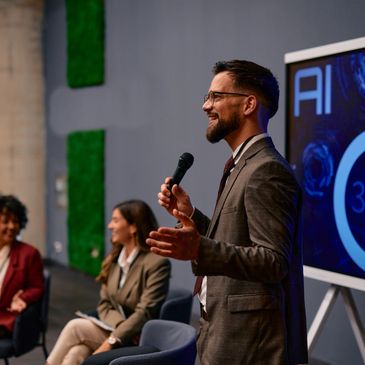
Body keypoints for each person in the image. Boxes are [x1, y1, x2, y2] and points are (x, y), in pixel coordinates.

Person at [147, 60, 308, 365]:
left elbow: (274, 262)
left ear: (248, 104)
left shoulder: (267, 169)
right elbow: (238, 238)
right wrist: (191, 214)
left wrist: (199, 248)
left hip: (248, 342)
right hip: (222, 328)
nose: (207, 106)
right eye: (206, 98)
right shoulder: (243, 164)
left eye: (217, 96)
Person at [46, 200, 171, 365]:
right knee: (76, 353)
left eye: (116, 220)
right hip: (115, 328)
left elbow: (145, 313)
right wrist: (118, 327)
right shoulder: (114, 259)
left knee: (75, 327)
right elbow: (104, 304)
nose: (110, 226)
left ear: (133, 227)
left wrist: (112, 340)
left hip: (138, 336)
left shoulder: (157, 263)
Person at [0, 194, 44, 338]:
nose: (12, 227)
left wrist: (24, 298)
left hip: (5, 318)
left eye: (16, 222)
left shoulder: (29, 254)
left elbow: (37, 287)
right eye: (5, 221)